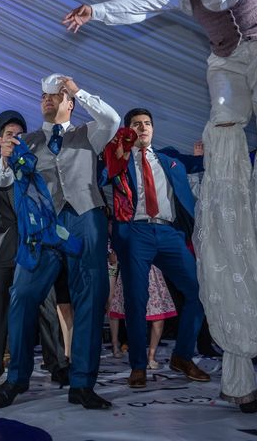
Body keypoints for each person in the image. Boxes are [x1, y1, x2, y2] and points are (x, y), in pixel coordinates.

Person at [63, 0, 257, 414]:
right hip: (224, 64)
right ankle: (203, 365)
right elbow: (145, 3)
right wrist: (96, 10)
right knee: (226, 130)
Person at [0, 75, 119, 410]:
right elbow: (2, 179)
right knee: (23, 294)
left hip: (85, 217)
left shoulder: (89, 132)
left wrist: (77, 89)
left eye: (55, 95)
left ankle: (83, 384)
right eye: (43, 96)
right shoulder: (26, 140)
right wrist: (4, 158)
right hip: (42, 227)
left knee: (89, 297)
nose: (47, 99)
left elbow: (113, 119)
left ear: (69, 102)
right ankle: (16, 378)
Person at [0, 110, 69, 392]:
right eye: (9, 134)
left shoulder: (33, 164)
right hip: (0, 248)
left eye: (19, 135)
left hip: (33, 246)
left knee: (46, 304)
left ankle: (56, 363)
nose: (14, 139)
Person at [102, 108, 209, 391]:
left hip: (169, 232)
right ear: (127, 130)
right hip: (135, 232)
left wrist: (209, 152)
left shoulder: (169, 160)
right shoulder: (119, 161)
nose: (143, 127)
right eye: (136, 124)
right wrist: (118, 151)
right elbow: (101, 177)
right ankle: (138, 365)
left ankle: (182, 357)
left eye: (147, 123)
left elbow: (200, 171)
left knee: (198, 293)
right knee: (136, 301)